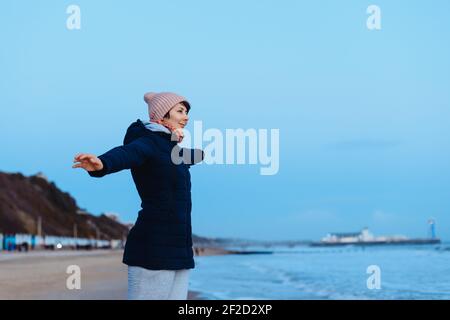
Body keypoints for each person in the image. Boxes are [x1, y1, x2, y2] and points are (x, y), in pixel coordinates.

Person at [72, 92, 204, 300]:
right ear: (161, 116)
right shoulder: (147, 143)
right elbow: (126, 153)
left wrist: (200, 154)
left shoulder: (171, 149)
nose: (186, 116)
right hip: (153, 248)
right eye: (180, 111)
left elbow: (183, 159)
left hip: (180, 250)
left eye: (187, 112)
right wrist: (101, 164)